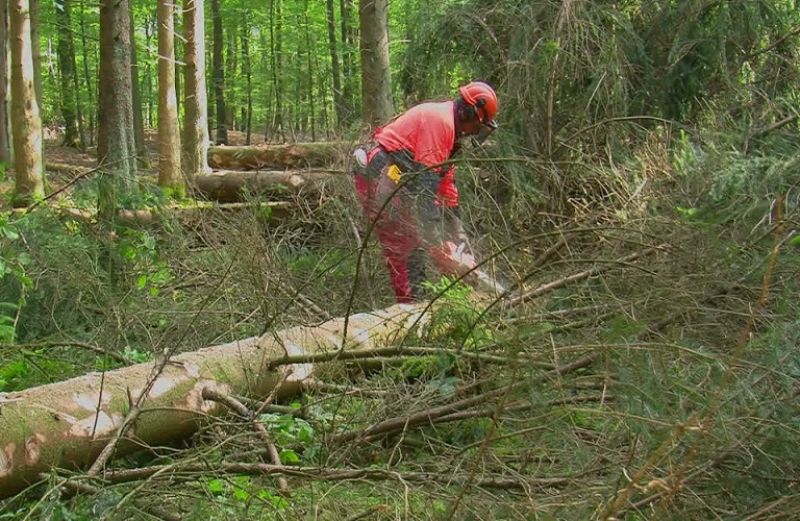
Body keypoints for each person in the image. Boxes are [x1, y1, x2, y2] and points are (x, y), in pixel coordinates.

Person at [352, 81, 499, 303]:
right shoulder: (441, 123)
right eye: (478, 126)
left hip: (398, 182)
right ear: (469, 112)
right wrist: (437, 240)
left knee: (421, 245)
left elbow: (446, 190)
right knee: (406, 246)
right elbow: (426, 188)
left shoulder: (451, 137)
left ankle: (430, 303)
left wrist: (460, 242)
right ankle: (412, 311)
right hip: (381, 178)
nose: (476, 133)